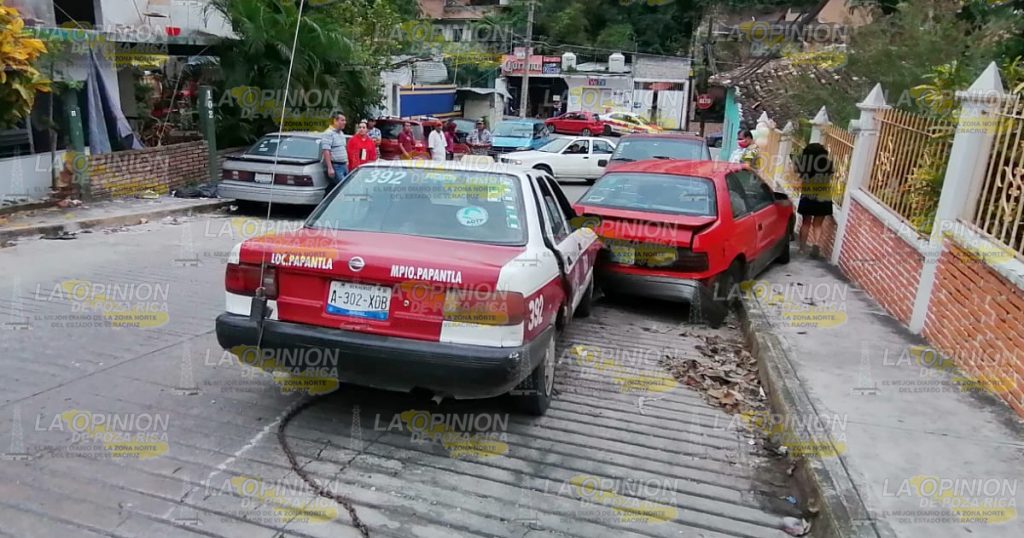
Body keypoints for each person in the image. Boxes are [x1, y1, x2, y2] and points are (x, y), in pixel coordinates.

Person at [794, 142, 835, 255]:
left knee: (806, 223)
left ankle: (802, 248)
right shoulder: (829, 164)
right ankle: (816, 244)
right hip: (824, 196)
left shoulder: (805, 165)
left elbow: (800, 183)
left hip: (808, 196)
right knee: (818, 224)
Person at [321, 112, 347, 186]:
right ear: (335, 121)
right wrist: (330, 168)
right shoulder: (328, 133)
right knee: (343, 187)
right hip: (336, 166)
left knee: (340, 188)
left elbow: (343, 148)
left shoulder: (341, 133)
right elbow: (326, 151)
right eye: (342, 120)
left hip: (344, 165)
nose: (345, 122)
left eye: (345, 120)